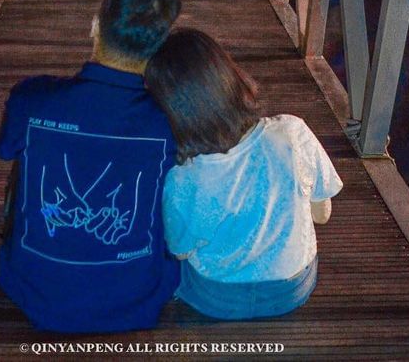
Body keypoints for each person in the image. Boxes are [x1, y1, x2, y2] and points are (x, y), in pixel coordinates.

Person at [0, 0, 182, 333]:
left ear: (96, 24)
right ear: (160, 47)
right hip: (138, 300)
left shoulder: (32, 98)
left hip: (34, 294)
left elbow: (4, 150)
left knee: (26, 150)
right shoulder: (168, 120)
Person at [144, 28, 342, 320]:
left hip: (218, 299)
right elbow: (322, 213)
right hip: (292, 289)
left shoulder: (184, 179)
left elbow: (180, 250)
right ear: (228, 75)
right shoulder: (292, 132)